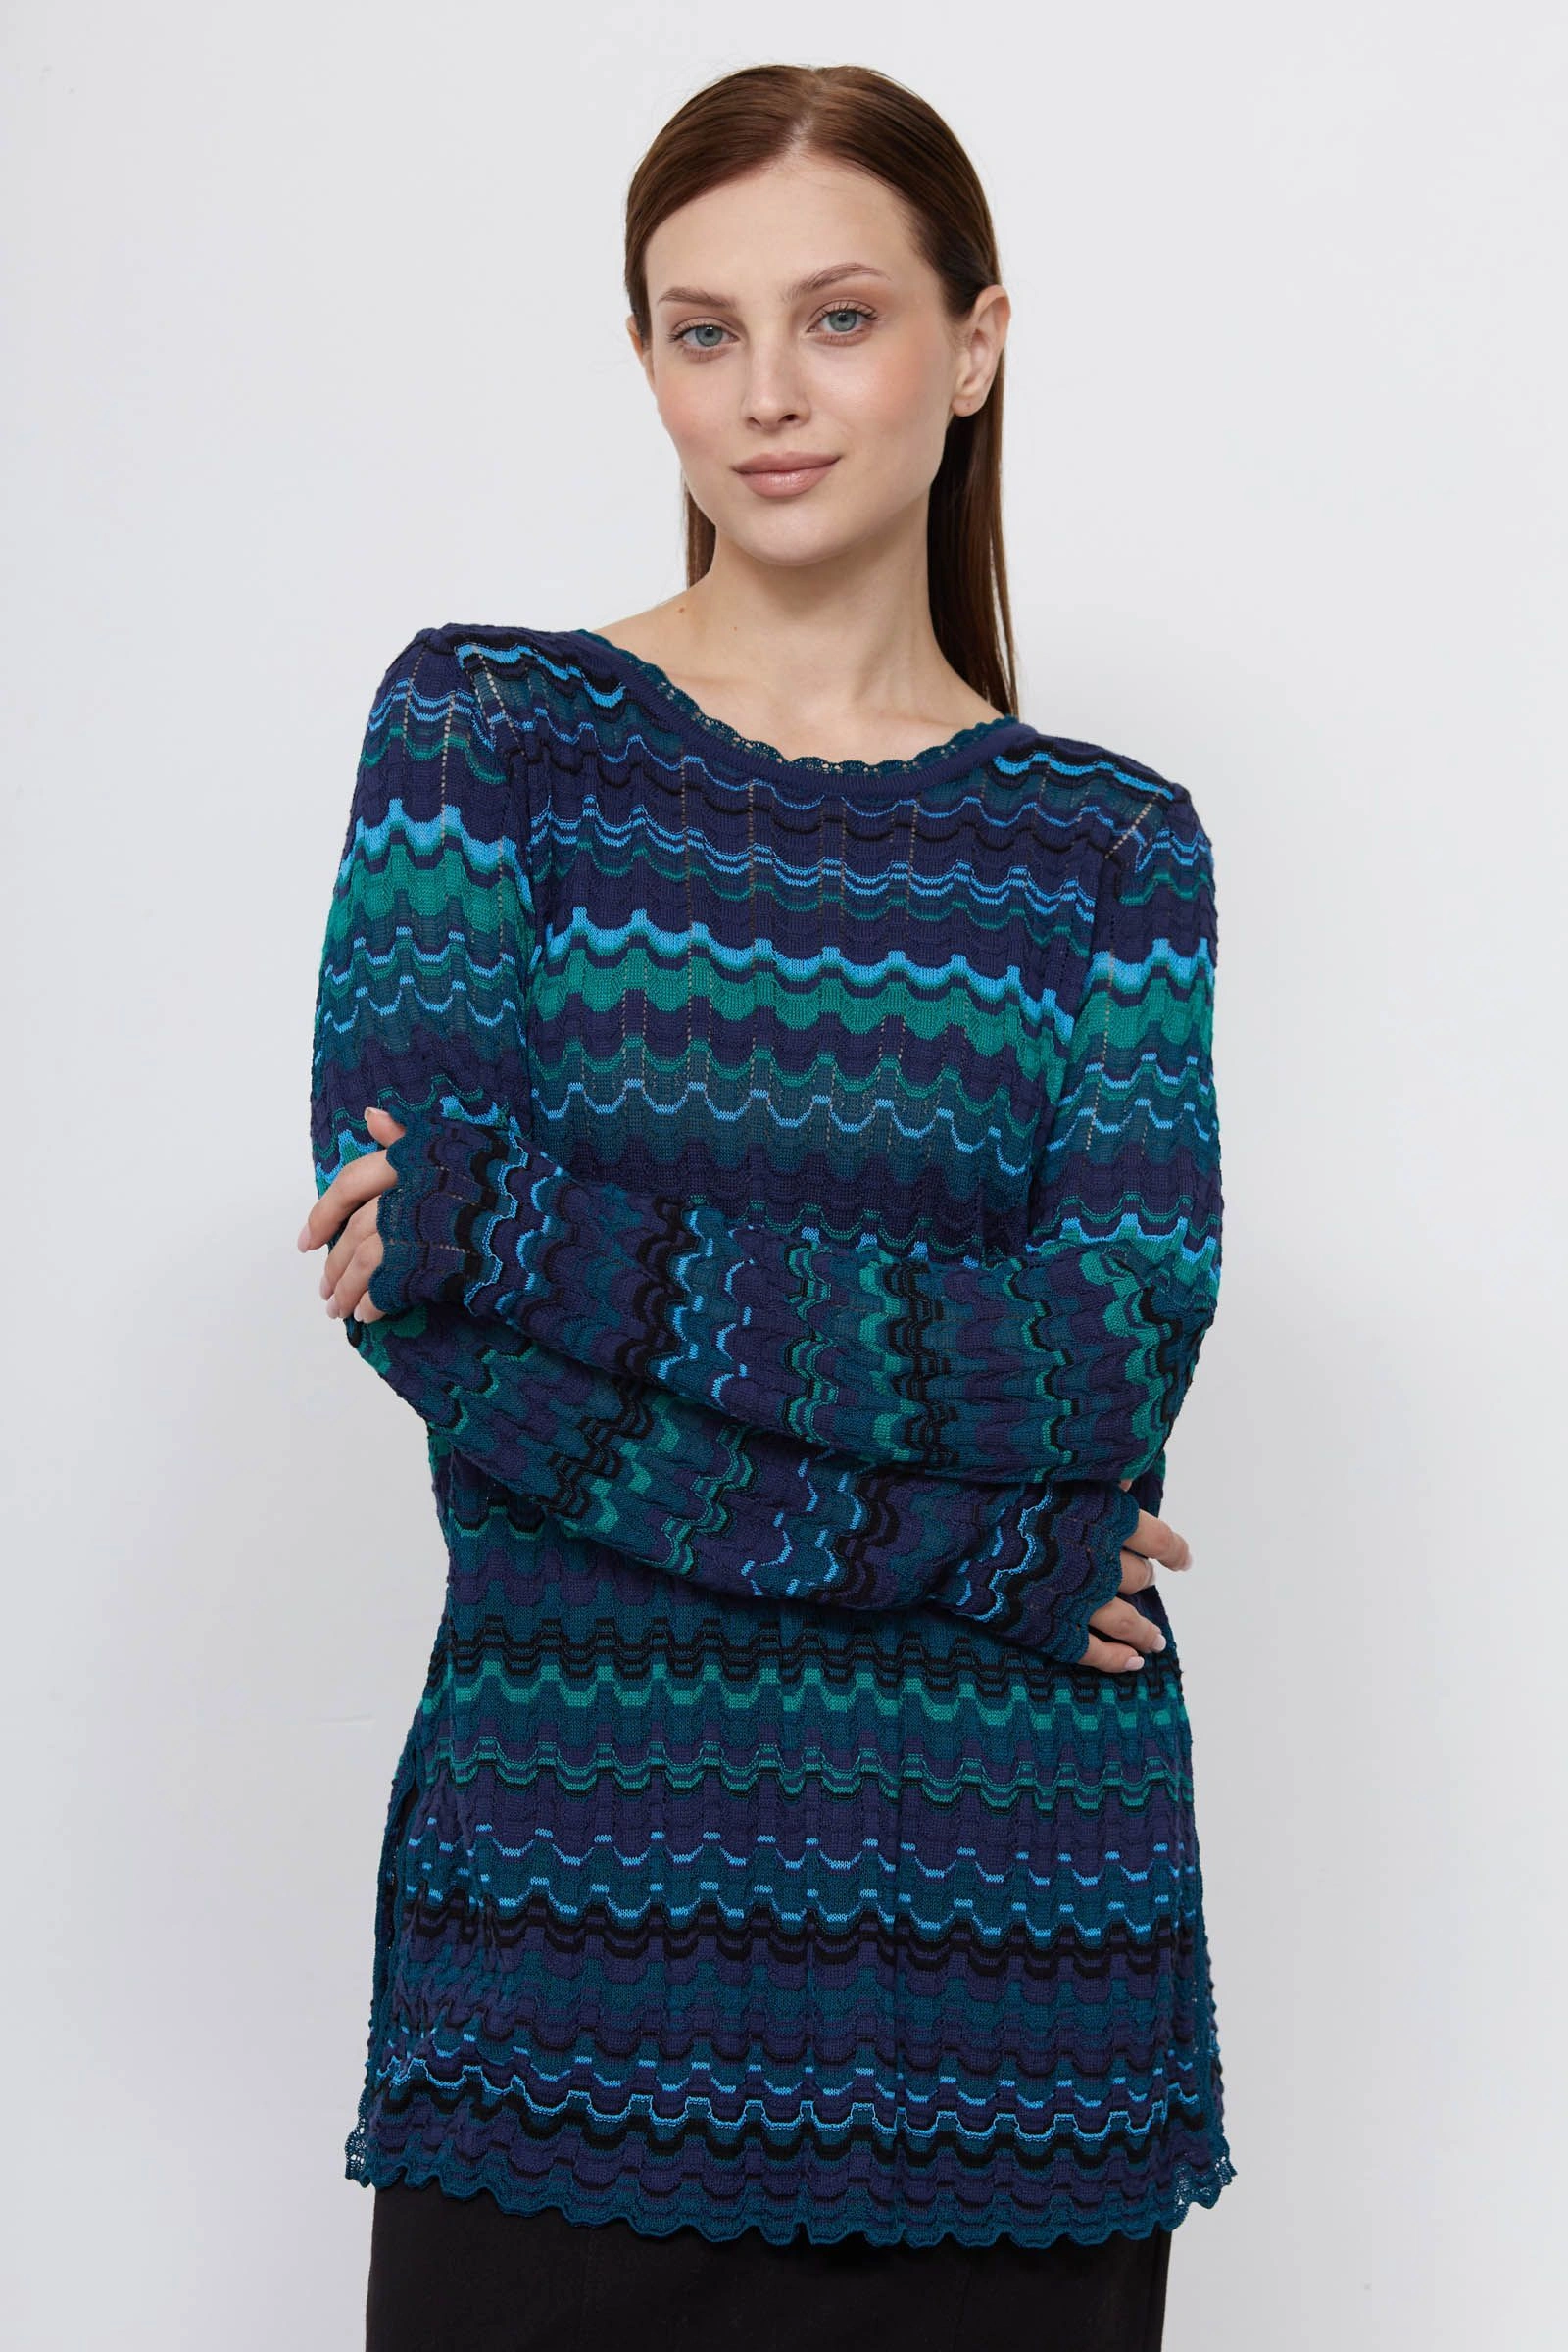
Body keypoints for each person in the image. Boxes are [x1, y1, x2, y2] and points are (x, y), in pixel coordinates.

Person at [298, 60, 1232, 2352]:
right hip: (569, 1949)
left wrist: (532, 1232)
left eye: (837, 318)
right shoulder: (487, 734)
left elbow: (1097, 1362)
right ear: (642, 359)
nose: (765, 396)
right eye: (699, 330)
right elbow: (425, 1319)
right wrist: (966, 1555)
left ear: (971, 345)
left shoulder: (1108, 848)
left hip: (1013, 1975)